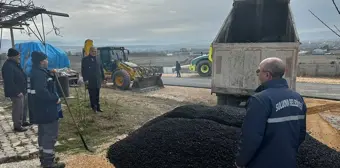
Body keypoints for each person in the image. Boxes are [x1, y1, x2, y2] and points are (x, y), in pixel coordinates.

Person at [235, 57, 307, 168]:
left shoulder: (259, 100)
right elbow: (301, 133)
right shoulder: (298, 98)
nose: (258, 74)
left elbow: (251, 138)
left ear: (267, 75)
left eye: (258, 71)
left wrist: (240, 162)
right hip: (288, 162)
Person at [29, 51, 65, 168]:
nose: (47, 61)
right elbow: (41, 91)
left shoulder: (37, 72)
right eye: (46, 59)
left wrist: (51, 74)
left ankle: (45, 159)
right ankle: (49, 163)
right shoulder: (39, 74)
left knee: (43, 134)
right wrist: (55, 98)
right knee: (50, 135)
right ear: (41, 61)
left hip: (41, 109)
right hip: (47, 109)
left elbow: (44, 84)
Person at [1, 48, 31, 132]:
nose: (19, 57)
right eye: (18, 56)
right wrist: (17, 92)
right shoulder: (8, 66)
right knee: (18, 108)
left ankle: (23, 121)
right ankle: (17, 125)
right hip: (16, 92)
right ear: (13, 56)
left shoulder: (15, 64)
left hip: (22, 90)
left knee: (23, 107)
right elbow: (9, 81)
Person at [81, 47, 105, 113]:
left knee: (97, 94)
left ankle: (98, 107)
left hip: (98, 80)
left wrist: (103, 78)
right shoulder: (85, 59)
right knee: (92, 94)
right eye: (93, 51)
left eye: (95, 51)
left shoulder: (98, 58)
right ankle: (93, 107)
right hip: (90, 80)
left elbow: (101, 68)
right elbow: (83, 70)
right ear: (90, 51)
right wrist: (85, 79)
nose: (94, 52)